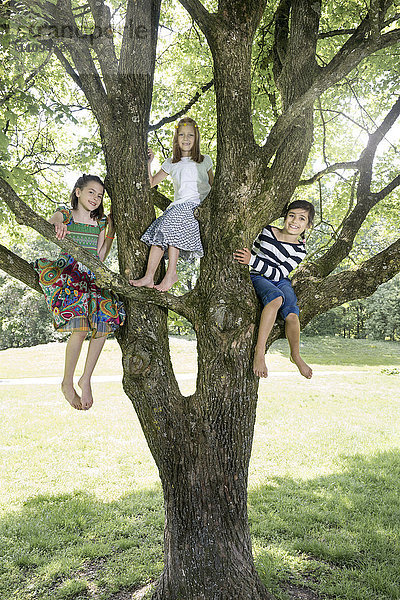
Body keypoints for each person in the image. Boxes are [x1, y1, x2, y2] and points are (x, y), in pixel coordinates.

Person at [34, 174, 125, 411]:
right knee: (80, 329)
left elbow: (100, 256)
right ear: (78, 192)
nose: (96, 198)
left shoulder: (102, 222)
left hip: (91, 276)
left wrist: (111, 231)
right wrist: (58, 224)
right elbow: (52, 220)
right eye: (91, 192)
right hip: (69, 274)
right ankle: (67, 382)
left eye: (100, 195)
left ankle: (86, 378)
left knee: (103, 324)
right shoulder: (66, 214)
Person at [130, 116, 214, 292]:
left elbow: (214, 186)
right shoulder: (171, 162)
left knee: (169, 227)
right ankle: (148, 276)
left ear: (196, 137)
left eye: (190, 135)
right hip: (178, 207)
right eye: (181, 135)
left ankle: (171, 274)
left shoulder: (204, 160)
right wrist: (148, 163)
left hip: (195, 206)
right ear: (176, 139)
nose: (186, 139)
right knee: (159, 233)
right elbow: (151, 182)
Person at [234, 200, 314, 379]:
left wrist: (252, 260)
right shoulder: (267, 231)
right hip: (258, 276)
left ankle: (296, 355)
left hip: (280, 279)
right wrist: (252, 262)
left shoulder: (300, 250)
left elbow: (279, 274)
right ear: (285, 217)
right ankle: (260, 352)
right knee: (276, 299)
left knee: (292, 315)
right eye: (291, 215)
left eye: (302, 218)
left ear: (308, 225)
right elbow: (252, 253)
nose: (295, 221)